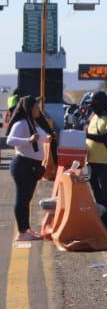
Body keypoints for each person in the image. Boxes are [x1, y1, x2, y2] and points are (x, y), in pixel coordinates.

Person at [6, 96, 53, 241]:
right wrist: (28, 140)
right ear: (29, 108)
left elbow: (40, 140)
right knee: (22, 199)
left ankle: (26, 230)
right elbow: (10, 140)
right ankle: (21, 232)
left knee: (27, 199)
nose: (39, 109)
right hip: (23, 165)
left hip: (32, 166)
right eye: (36, 107)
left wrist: (48, 139)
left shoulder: (33, 123)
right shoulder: (21, 123)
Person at [84, 90, 107, 236]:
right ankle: (102, 225)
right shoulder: (94, 117)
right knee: (97, 196)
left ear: (101, 104)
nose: (91, 107)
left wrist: (86, 135)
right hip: (92, 162)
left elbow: (106, 138)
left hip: (106, 162)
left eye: (93, 105)